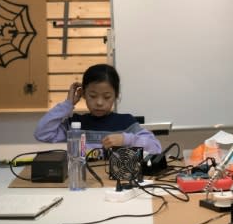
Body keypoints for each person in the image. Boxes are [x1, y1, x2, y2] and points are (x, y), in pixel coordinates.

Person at [34, 63, 162, 155]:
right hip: (84, 181)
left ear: (116, 96)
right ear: (83, 94)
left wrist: (126, 139)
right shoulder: (75, 125)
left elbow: (156, 148)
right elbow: (42, 134)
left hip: (115, 183)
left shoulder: (126, 122)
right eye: (93, 96)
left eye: (107, 97)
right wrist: (68, 104)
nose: (99, 103)